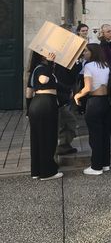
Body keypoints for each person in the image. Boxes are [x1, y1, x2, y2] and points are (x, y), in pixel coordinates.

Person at [74, 44, 111, 175]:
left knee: (95, 135)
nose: (84, 53)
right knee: (105, 134)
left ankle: (96, 167)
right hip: (105, 101)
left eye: (86, 51)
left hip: (94, 102)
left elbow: (87, 88)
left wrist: (77, 95)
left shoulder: (88, 66)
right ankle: (105, 163)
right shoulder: (106, 65)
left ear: (92, 52)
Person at [28, 51, 63, 181]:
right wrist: (48, 63)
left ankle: (37, 170)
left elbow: (28, 90)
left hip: (37, 104)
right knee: (48, 137)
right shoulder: (42, 68)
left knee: (38, 138)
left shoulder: (36, 68)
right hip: (45, 104)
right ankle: (47, 172)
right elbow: (44, 80)